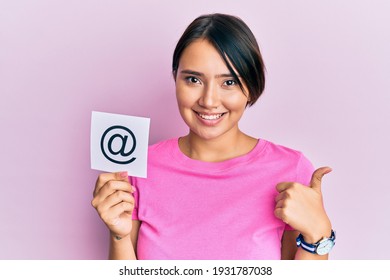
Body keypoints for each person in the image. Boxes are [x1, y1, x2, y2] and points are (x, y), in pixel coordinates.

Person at [91, 13, 335, 260]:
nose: (208, 101)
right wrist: (118, 234)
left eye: (228, 82)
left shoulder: (290, 169)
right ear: (175, 78)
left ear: (251, 87)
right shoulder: (137, 168)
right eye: (193, 79)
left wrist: (318, 232)